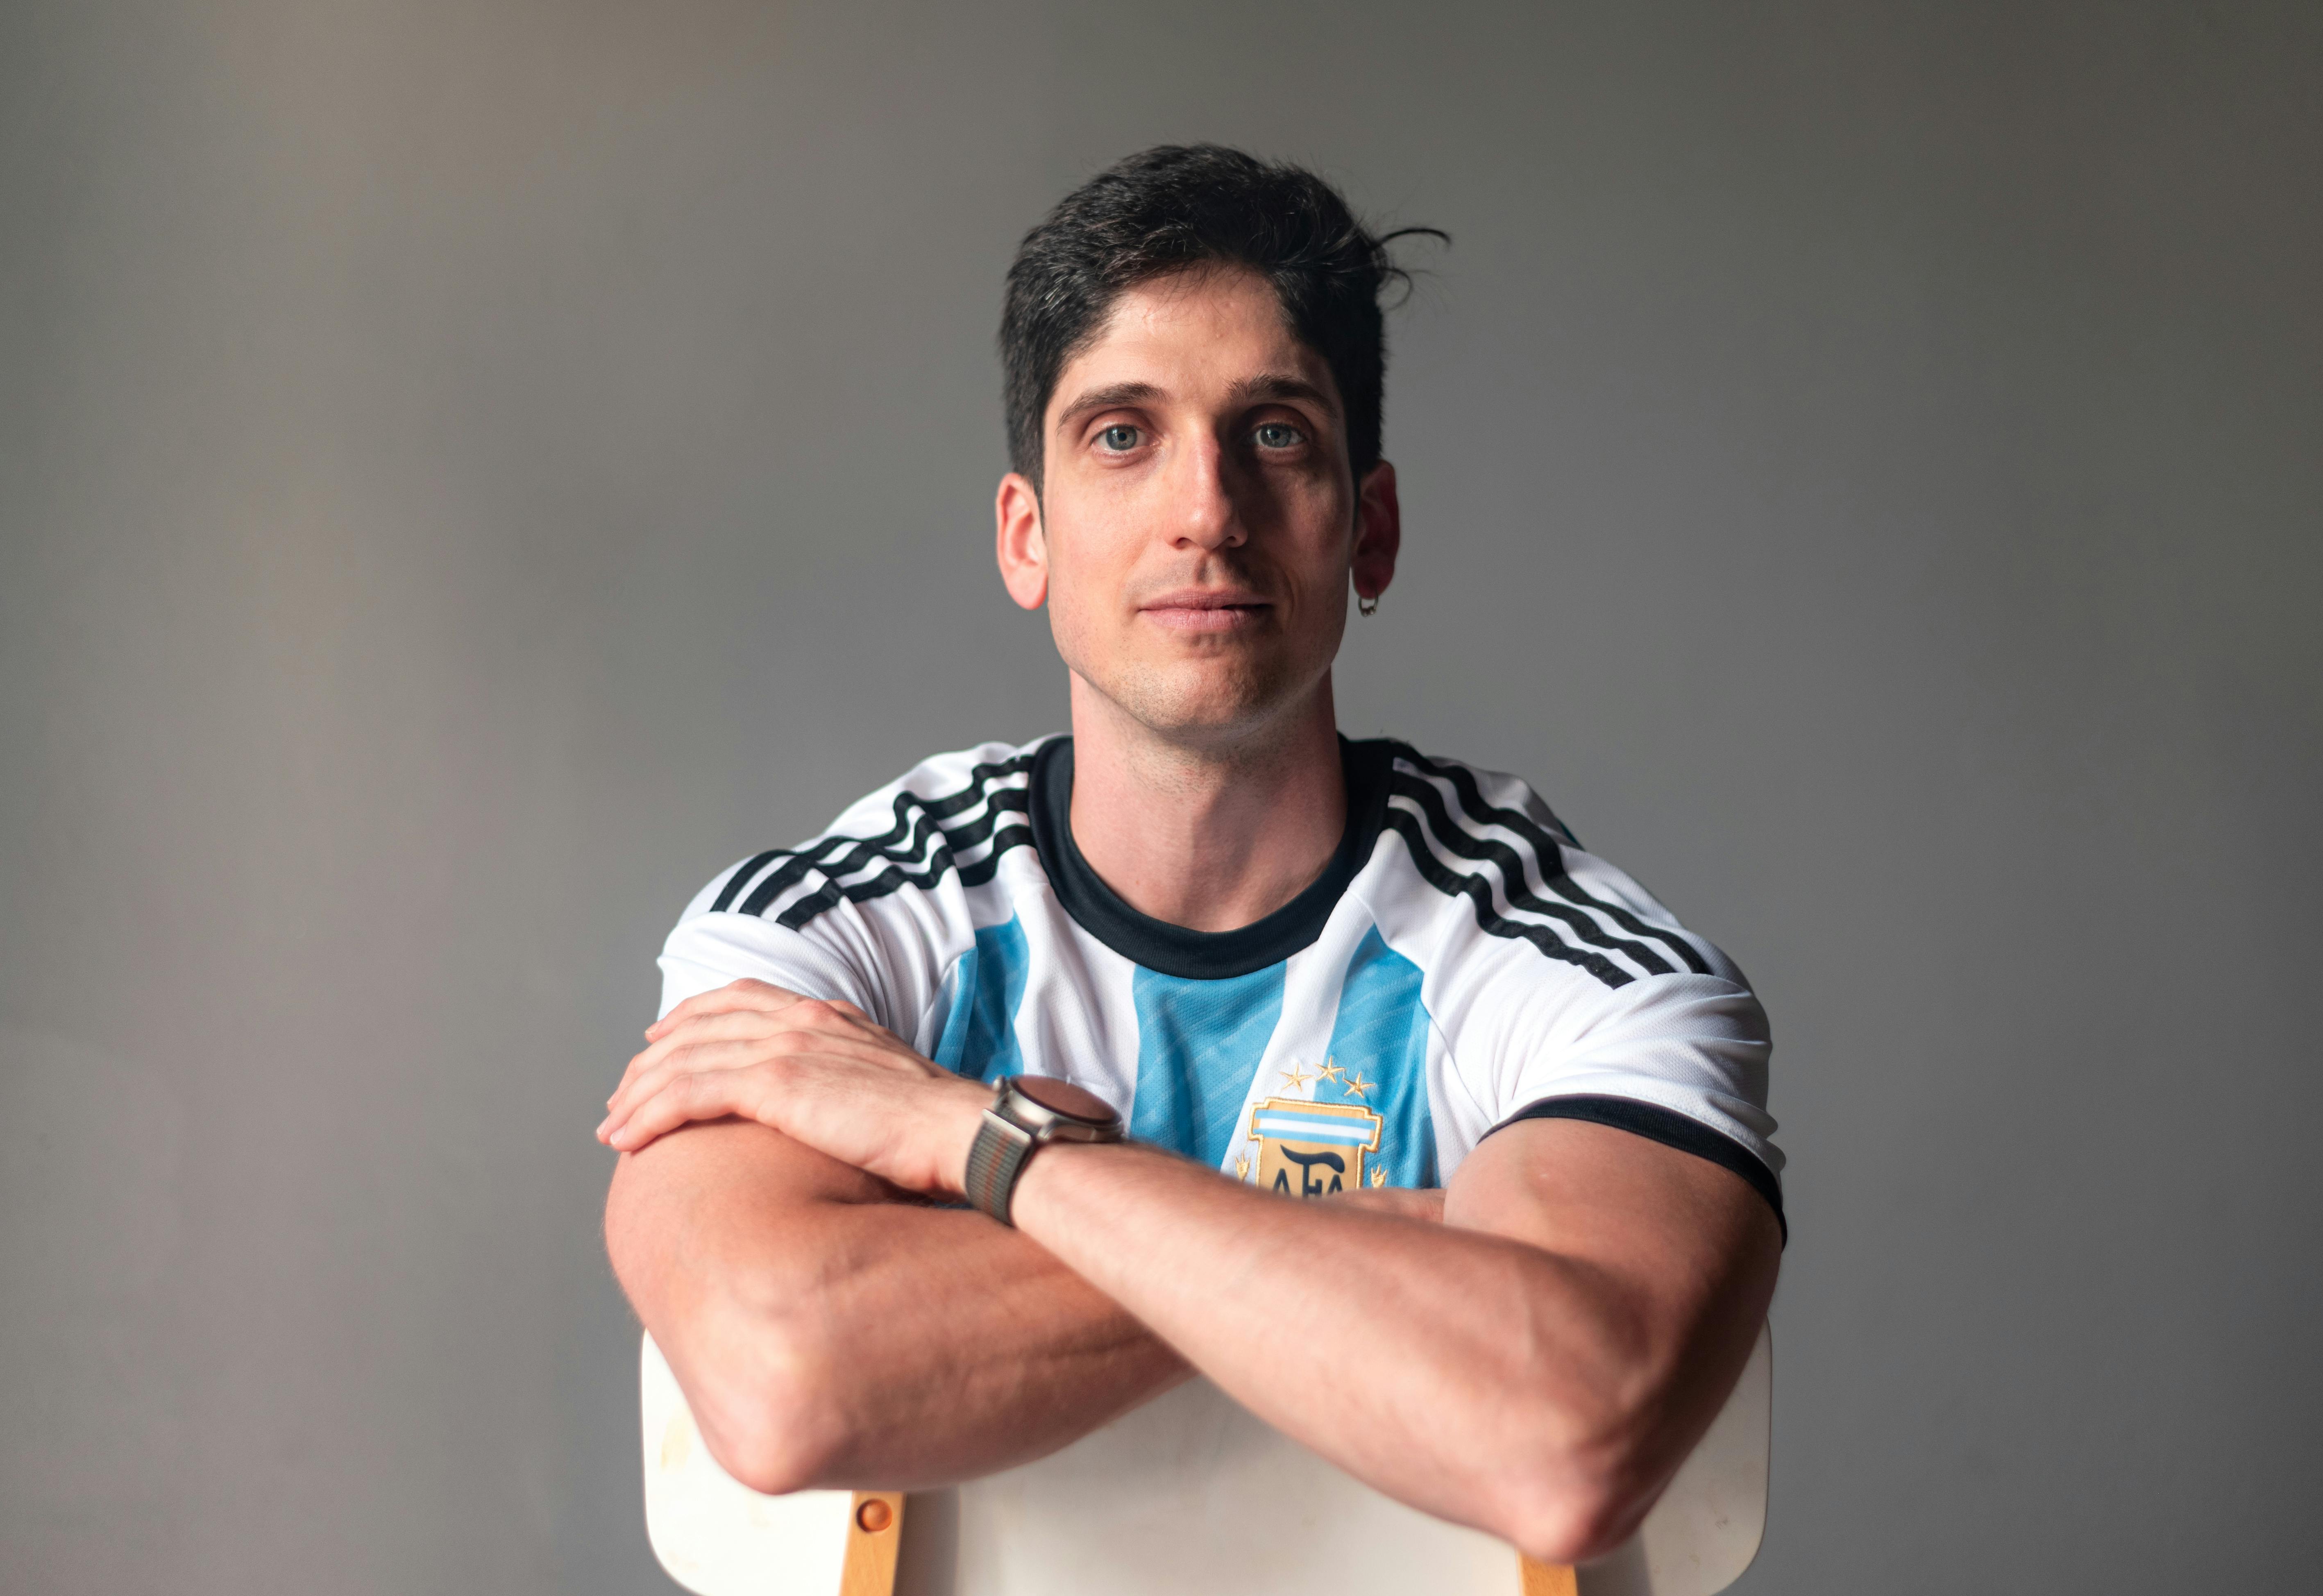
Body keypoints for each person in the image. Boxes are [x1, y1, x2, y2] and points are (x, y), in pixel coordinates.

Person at [597, 144, 1783, 1569]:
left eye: (1274, 433)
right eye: (1120, 434)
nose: (1205, 511)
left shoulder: (1562, 959)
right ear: (1024, 537)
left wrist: (972, 1142)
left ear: (1372, 526)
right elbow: (786, 1376)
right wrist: (1404, 1240)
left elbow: (1564, 1439)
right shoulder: (828, 930)